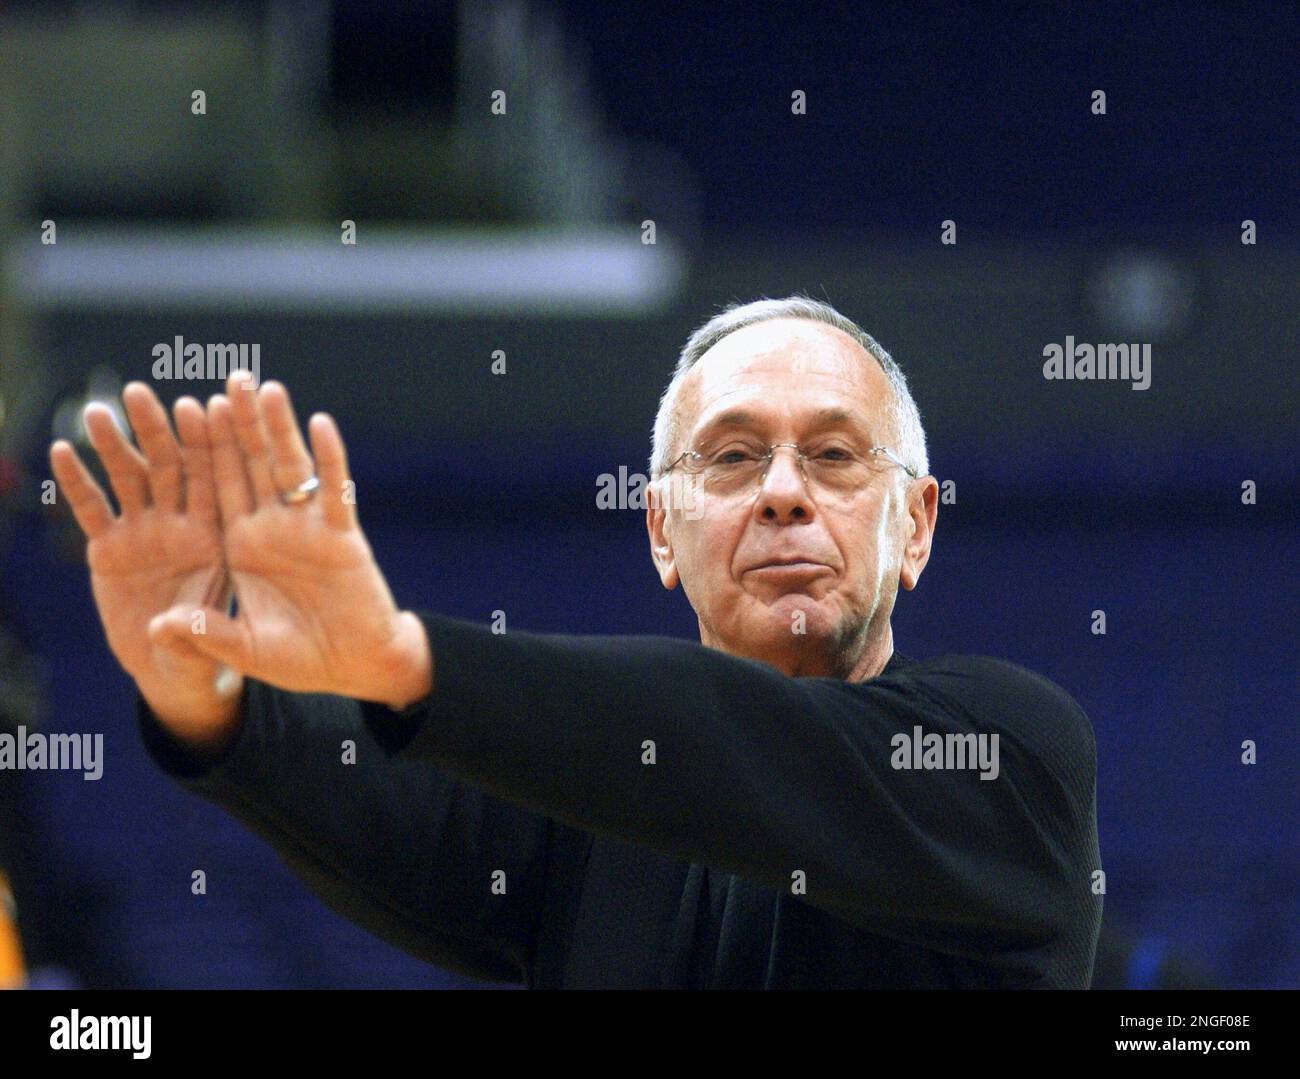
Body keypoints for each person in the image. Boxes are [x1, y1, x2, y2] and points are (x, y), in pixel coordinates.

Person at [49, 296, 1102, 988]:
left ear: (913, 524)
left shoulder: (1006, 754)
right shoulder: (593, 820)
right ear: (659, 530)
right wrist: (207, 682)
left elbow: (736, 738)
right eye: (732, 456)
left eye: (832, 454)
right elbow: (387, 813)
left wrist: (403, 654)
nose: (784, 491)